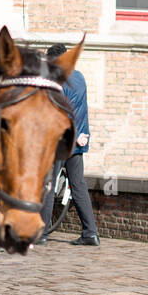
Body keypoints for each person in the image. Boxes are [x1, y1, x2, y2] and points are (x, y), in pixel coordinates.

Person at [41, 43, 100, 246]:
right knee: (78, 186)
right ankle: (90, 233)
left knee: (48, 185)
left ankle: (42, 232)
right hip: (79, 139)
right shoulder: (79, 76)